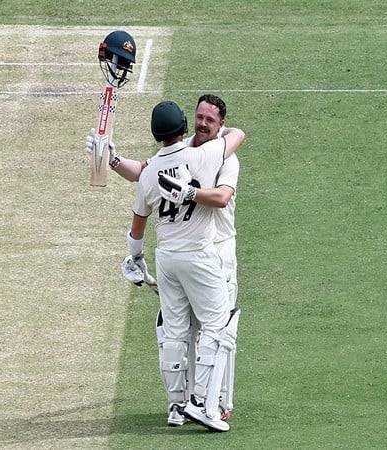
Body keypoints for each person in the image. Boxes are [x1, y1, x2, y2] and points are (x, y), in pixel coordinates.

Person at [87, 95, 241, 421]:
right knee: (217, 327)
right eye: (198, 118)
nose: (202, 124)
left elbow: (139, 213)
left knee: (174, 332)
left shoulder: (154, 170)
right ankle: (201, 403)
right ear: (185, 125)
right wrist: (113, 161)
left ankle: (177, 406)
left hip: (169, 257)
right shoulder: (202, 155)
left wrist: (135, 258)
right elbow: (238, 135)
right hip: (201, 254)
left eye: (208, 120)